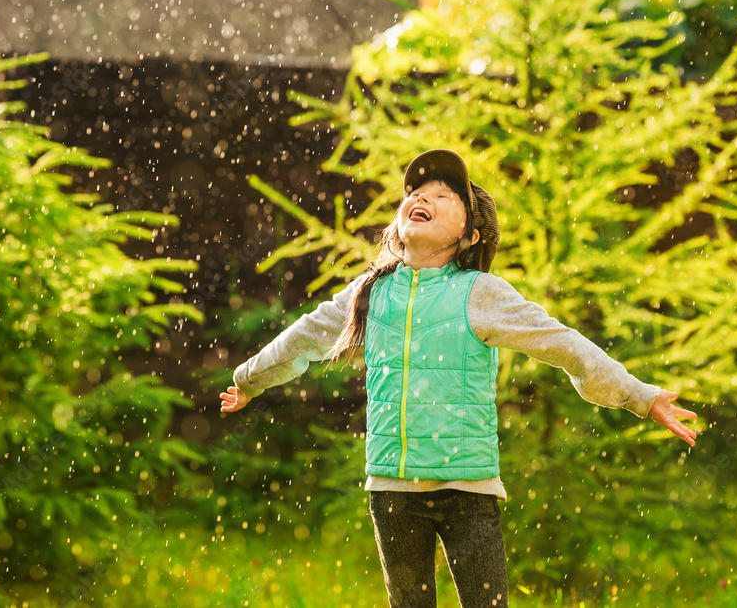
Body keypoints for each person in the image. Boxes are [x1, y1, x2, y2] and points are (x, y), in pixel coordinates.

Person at [220, 149, 698, 607]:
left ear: (469, 236)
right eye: (416, 192)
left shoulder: (480, 294)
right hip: (392, 488)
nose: (422, 198)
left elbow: (565, 344)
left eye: (443, 195)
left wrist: (641, 397)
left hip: (467, 487)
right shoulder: (371, 293)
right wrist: (248, 380)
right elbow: (303, 337)